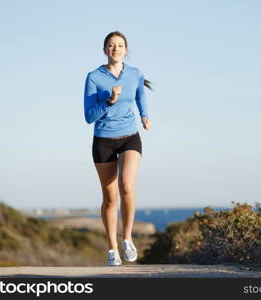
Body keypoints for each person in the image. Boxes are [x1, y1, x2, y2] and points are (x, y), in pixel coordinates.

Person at [84, 31, 153, 266]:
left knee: (127, 185)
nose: (116, 48)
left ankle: (127, 239)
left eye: (120, 45)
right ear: (105, 50)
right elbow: (88, 116)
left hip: (129, 137)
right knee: (110, 198)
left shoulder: (135, 74)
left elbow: (141, 94)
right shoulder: (94, 77)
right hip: (103, 140)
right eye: (111, 45)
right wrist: (109, 101)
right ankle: (113, 248)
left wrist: (145, 116)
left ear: (126, 49)